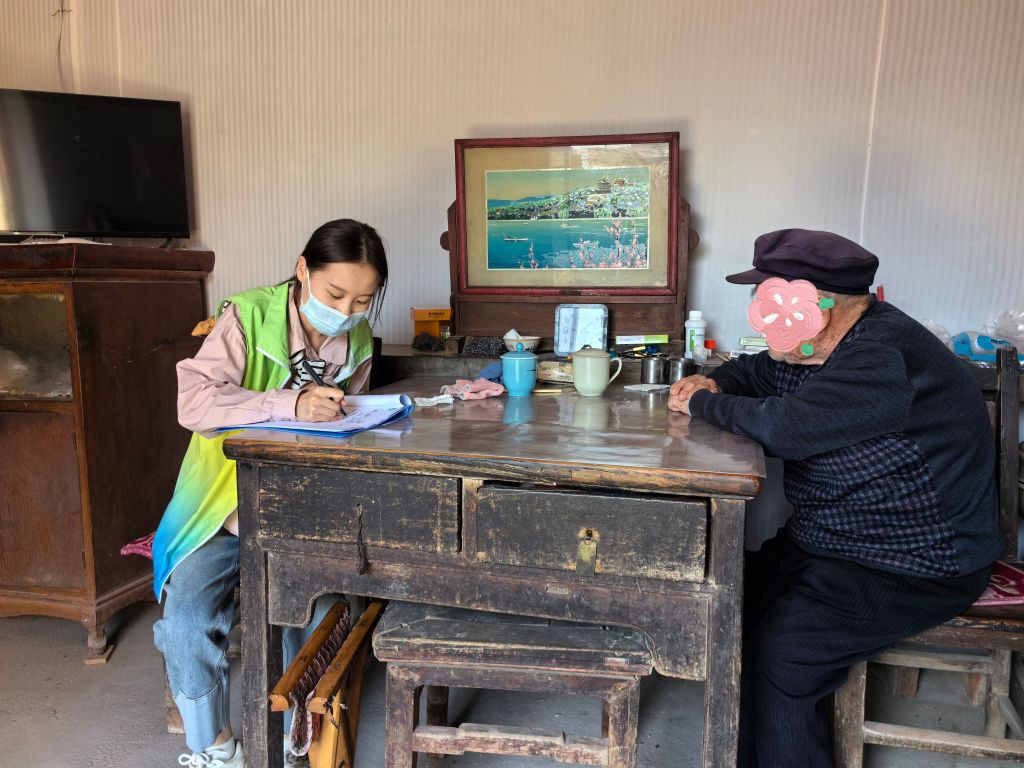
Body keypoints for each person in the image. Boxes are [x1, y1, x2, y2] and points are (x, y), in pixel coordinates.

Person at [668, 228, 1002, 768]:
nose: (762, 312)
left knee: (783, 656)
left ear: (817, 303)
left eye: (770, 294)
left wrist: (702, 406)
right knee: (727, 600)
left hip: (916, 562)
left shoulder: (882, 354)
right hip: (833, 541)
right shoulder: (809, 348)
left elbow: (787, 428)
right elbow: (751, 370)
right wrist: (715, 383)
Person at [152, 219, 388, 767]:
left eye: (361, 302)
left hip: (302, 507)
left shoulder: (355, 338)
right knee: (186, 622)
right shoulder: (246, 316)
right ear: (303, 269)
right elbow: (194, 404)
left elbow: (351, 417)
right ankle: (214, 746)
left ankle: (296, 734)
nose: (346, 312)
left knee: (316, 615)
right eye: (335, 294)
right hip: (221, 507)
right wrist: (290, 404)